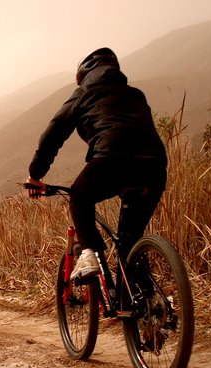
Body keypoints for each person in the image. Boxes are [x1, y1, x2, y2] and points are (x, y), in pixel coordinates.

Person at [26, 47, 167, 282]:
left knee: (80, 196)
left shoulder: (83, 93)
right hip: (154, 165)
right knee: (131, 241)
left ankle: (89, 254)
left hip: (111, 157)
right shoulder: (135, 94)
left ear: (83, 76)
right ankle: (144, 303)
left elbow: (54, 132)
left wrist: (35, 174)